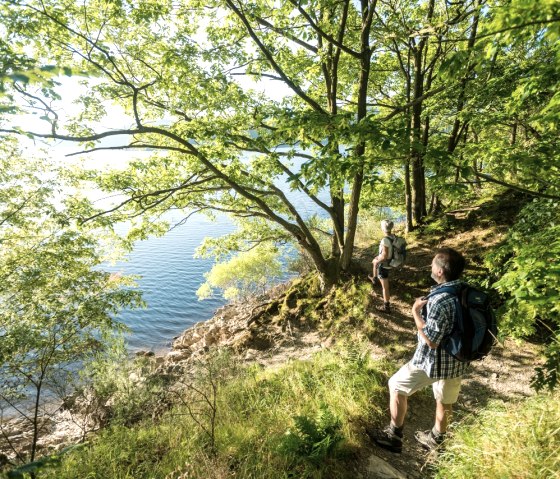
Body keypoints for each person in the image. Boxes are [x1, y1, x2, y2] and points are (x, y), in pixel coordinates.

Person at [370, 247, 468, 453]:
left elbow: (431, 341)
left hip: (433, 363)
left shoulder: (440, 300)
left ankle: (393, 435)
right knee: (445, 399)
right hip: (458, 359)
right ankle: (436, 439)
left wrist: (415, 313)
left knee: (396, 385)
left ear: (440, 271)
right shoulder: (465, 291)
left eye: (433, 264)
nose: (430, 266)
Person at [369, 220, 394, 313]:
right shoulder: (393, 237)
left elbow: (384, 255)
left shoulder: (385, 240)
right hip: (391, 262)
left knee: (385, 287)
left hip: (384, 265)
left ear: (383, 228)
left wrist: (376, 262)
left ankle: (386, 307)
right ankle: (374, 278)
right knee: (385, 285)